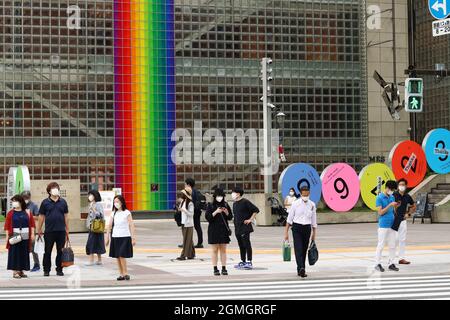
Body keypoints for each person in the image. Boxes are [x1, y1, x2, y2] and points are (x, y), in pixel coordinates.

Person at [37, 182, 69, 277]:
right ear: (49, 191)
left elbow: (66, 216)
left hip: (61, 231)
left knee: (60, 251)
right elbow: (41, 216)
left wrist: (67, 229)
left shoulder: (63, 202)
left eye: (57, 188)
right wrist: (39, 229)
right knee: (47, 251)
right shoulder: (45, 202)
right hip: (49, 231)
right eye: (53, 188)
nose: (56, 189)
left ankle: (59, 269)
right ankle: (46, 270)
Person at [284, 186, 317, 278]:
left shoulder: (312, 205)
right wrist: (286, 233)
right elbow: (289, 219)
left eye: (307, 194)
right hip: (297, 228)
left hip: (307, 228)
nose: (305, 196)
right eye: (303, 194)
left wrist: (314, 234)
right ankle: (301, 268)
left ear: (309, 193)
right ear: (301, 193)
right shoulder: (295, 204)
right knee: (298, 249)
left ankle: (301, 269)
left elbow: (314, 221)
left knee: (304, 249)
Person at [4, 195, 35, 279]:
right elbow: (7, 226)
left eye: (15, 200)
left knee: (24, 253)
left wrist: (32, 234)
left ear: (21, 202)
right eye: (13, 201)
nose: (14, 202)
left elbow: (32, 224)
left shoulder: (27, 212)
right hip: (14, 236)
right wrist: (7, 236)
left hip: (25, 236)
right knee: (15, 253)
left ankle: (21, 271)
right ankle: (15, 272)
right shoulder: (10, 213)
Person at [106, 195, 136, 281]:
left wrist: (133, 238)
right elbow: (109, 226)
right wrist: (107, 237)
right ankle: (121, 274)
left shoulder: (127, 212)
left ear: (122, 202)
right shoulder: (113, 213)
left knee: (122, 255)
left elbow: (131, 225)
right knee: (117, 256)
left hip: (125, 236)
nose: (116, 203)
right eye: (114, 202)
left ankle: (125, 273)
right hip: (115, 237)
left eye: (117, 201)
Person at [205, 188, 233, 276]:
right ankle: (215, 268)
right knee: (214, 250)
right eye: (218, 196)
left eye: (221, 196)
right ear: (214, 196)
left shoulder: (225, 204)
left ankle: (224, 268)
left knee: (223, 250)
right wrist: (216, 212)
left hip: (223, 230)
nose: (219, 198)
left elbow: (230, 217)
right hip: (213, 230)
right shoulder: (210, 205)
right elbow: (208, 218)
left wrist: (227, 212)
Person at [231, 186, 259, 270]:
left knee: (247, 244)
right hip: (237, 227)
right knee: (241, 245)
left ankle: (249, 261)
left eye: (233, 192)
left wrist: (250, 219)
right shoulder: (234, 203)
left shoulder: (245, 202)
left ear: (238, 194)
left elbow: (256, 210)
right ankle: (243, 261)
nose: (232, 194)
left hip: (245, 227)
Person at [374, 180, 400, 272]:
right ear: (387, 188)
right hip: (383, 225)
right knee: (381, 245)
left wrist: (396, 206)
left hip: (392, 224)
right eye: (392, 189)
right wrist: (389, 205)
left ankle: (391, 263)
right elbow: (380, 212)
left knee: (392, 245)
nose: (392, 191)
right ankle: (377, 263)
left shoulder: (392, 197)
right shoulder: (379, 198)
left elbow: (393, 210)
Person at [393, 178, 417, 265]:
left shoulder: (407, 196)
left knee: (402, 240)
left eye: (403, 185)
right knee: (394, 239)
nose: (401, 186)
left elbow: (414, 206)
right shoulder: (394, 195)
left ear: (406, 186)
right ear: (398, 186)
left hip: (403, 220)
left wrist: (409, 214)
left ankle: (401, 258)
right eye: (400, 185)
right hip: (394, 220)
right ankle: (391, 259)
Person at [85, 190, 106, 266]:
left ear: (95, 196)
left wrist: (93, 209)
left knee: (92, 243)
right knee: (97, 243)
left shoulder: (98, 204)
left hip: (96, 227)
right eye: (89, 195)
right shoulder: (91, 204)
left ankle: (91, 261)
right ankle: (99, 260)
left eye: (91, 195)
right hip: (92, 227)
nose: (89, 196)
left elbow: (100, 215)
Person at [21, 190, 40, 272]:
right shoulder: (20, 205)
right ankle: (23, 265)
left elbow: (38, 217)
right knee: (22, 247)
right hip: (21, 229)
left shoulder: (34, 205)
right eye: (24, 197)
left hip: (31, 229)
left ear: (29, 197)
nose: (25, 199)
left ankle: (37, 264)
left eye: (27, 197)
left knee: (32, 247)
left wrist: (29, 215)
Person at [176, 189, 196, 260]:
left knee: (186, 240)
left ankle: (183, 255)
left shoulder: (190, 203)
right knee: (189, 239)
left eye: (183, 194)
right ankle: (191, 254)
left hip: (189, 224)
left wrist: (184, 210)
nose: (182, 195)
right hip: (183, 223)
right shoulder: (183, 202)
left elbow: (191, 214)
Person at [185, 178, 204, 248]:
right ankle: (200, 242)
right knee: (197, 227)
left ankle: (187, 243)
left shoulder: (191, 192)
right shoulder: (196, 191)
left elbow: (189, 202)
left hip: (192, 212)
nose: (185, 185)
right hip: (197, 212)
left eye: (185, 184)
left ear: (188, 184)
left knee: (188, 227)